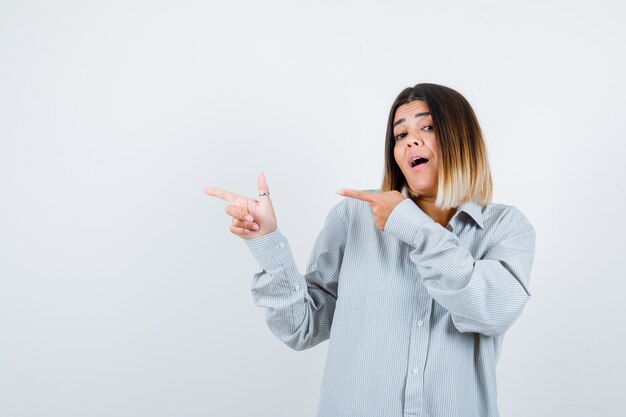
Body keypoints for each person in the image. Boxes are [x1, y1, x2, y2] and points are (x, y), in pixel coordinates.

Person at [204, 83, 536, 417]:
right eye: (400, 135)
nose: (411, 141)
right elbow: (301, 328)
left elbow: (492, 311)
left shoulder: (506, 227)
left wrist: (412, 226)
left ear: (462, 138)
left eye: (428, 127)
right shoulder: (353, 218)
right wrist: (267, 241)